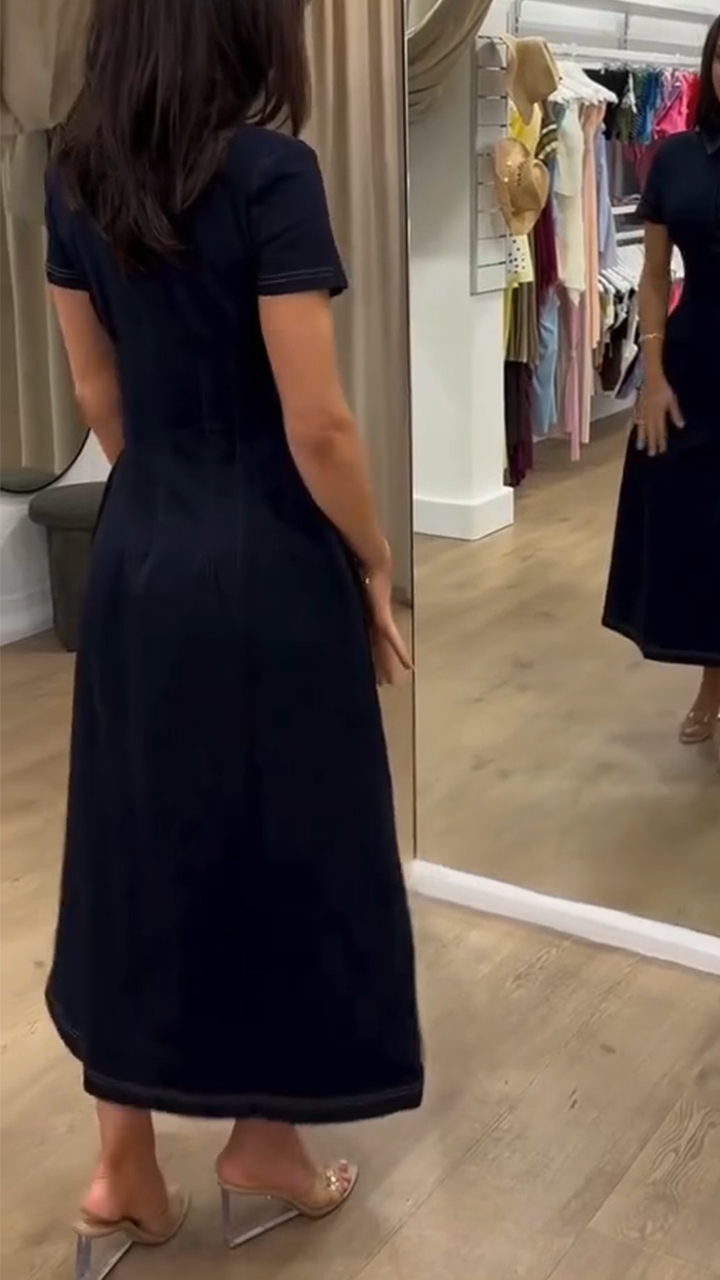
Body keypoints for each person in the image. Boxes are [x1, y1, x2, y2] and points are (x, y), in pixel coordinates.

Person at [44, 0, 424, 1266]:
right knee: (290, 840)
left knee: (132, 841)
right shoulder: (271, 172)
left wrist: (170, 504)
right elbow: (319, 423)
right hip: (267, 562)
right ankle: (264, 1145)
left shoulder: (74, 173)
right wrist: (373, 557)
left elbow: (98, 390)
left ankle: (122, 1169)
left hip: (139, 553)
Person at [603, 15, 720, 761]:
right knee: (700, 528)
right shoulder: (676, 157)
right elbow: (651, 278)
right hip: (697, 365)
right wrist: (652, 374)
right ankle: (711, 681)